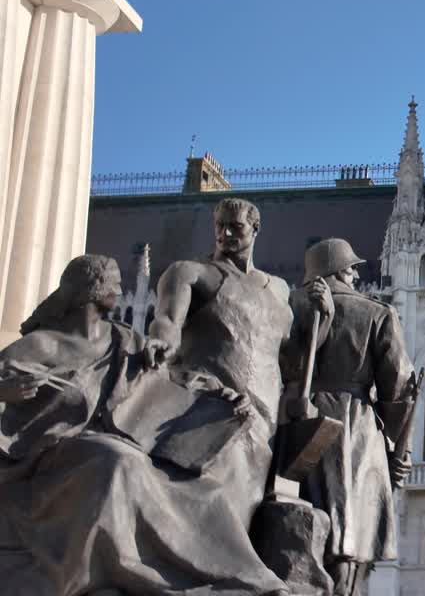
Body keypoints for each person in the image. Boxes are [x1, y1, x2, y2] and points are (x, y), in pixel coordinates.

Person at [0, 255, 291, 595]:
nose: (120, 286)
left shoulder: (125, 339)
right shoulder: (44, 343)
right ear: (90, 290)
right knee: (118, 461)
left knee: (203, 490)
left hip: (113, 443)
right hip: (49, 454)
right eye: (112, 280)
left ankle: (251, 581)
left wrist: (222, 393)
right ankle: (135, 574)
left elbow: (173, 378)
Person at [147, 197, 318, 529]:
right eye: (219, 226)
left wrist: (322, 319)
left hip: (265, 422)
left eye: (235, 227)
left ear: (255, 230)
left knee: (246, 512)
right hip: (213, 410)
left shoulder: (280, 291)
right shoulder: (190, 273)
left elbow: (293, 361)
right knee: (212, 508)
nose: (225, 234)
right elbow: (167, 320)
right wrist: (161, 341)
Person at [283, 238, 415, 596]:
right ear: (340, 271)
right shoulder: (377, 313)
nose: (357, 274)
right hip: (353, 426)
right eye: (352, 267)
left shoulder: (288, 304)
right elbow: (400, 390)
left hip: (295, 421)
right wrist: (398, 452)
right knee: (347, 531)